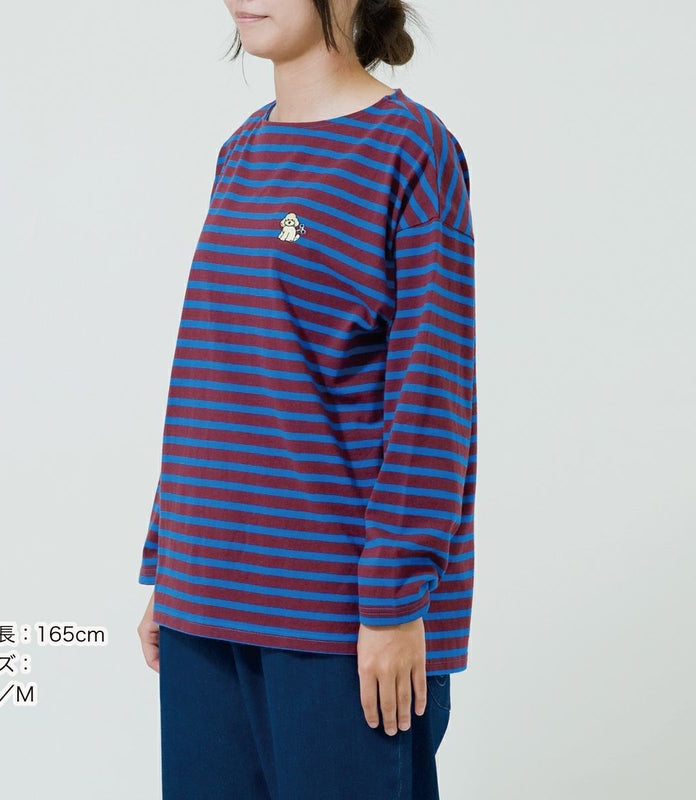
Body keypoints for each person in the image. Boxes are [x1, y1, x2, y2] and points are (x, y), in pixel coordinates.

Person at [137, 1, 477, 798]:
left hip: (336, 620)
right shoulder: (241, 152)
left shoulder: (412, 152)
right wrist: (169, 564)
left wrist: (394, 602)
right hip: (202, 603)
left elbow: (432, 397)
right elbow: (217, 367)